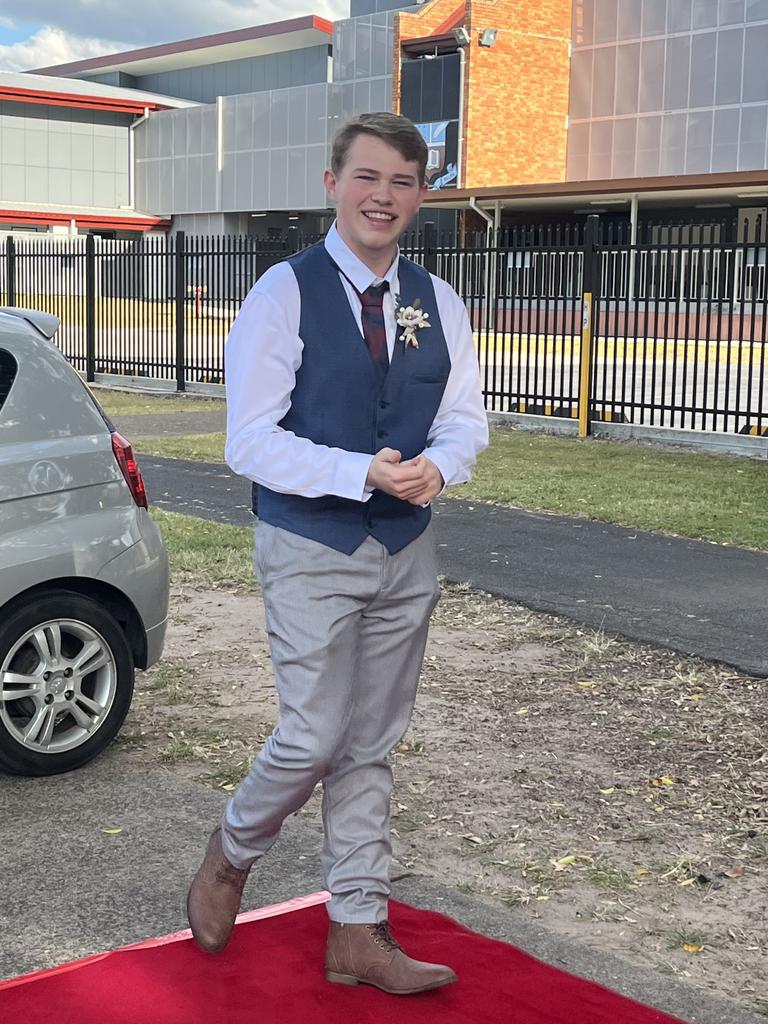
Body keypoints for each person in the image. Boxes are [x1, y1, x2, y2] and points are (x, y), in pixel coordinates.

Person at [186, 111, 488, 995]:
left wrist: (442, 465)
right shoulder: (282, 292)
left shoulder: (440, 301)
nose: (382, 197)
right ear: (332, 184)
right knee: (315, 732)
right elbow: (249, 440)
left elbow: (466, 415)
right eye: (367, 177)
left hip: (406, 550)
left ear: (421, 196)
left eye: (401, 181)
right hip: (309, 542)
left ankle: (357, 926)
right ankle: (234, 849)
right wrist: (365, 473)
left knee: (369, 741)